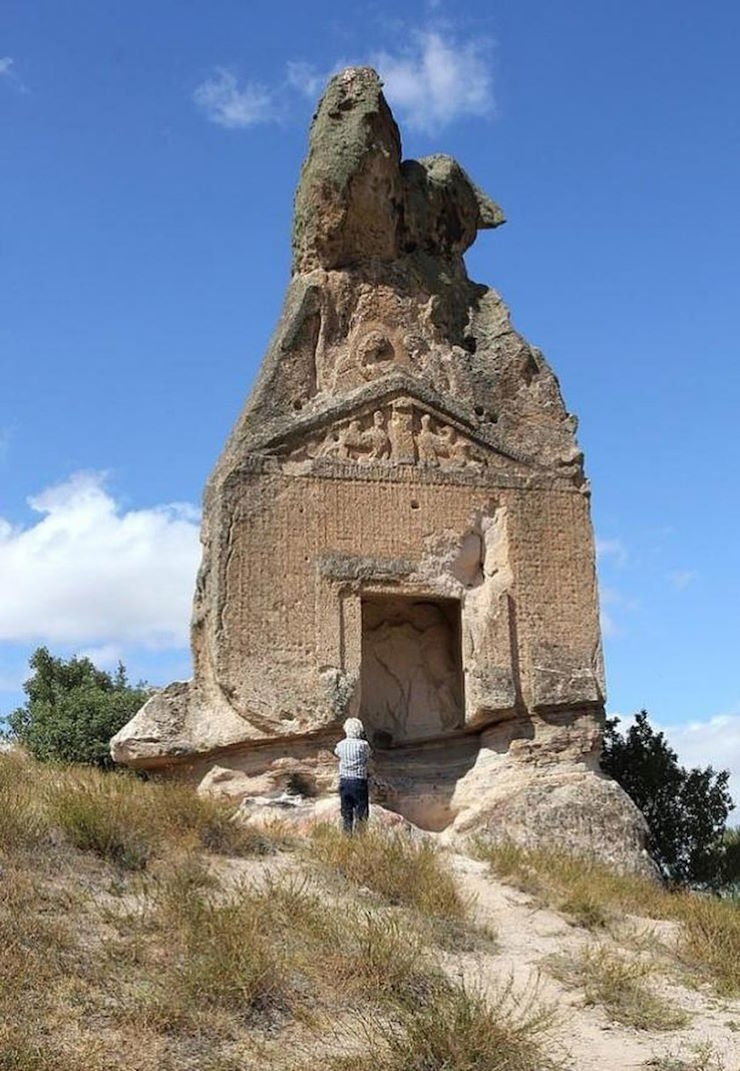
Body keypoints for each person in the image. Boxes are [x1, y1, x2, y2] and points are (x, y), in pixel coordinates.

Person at [333, 717, 371, 834]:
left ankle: (347, 835)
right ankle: (361, 836)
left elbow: (337, 753)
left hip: (344, 781)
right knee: (361, 811)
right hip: (359, 781)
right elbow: (368, 755)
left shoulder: (340, 745)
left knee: (346, 811)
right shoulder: (363, 744)